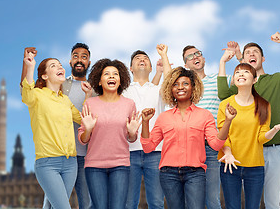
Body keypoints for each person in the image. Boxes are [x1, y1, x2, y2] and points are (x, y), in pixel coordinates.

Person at [218, 32, 280, 209]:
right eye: (247, 52)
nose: (252, 54)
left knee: (272, 201)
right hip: (245, 152)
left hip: (273, 149)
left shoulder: (276, 80)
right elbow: (222, 94)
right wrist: (227, 62)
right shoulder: (241, 85)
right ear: (242, 60)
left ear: (263, 59)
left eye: (255, 52)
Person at [140, 67, 235, 209]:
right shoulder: (164, 117)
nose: (180, 88)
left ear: (193, 87)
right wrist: (145, 122)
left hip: (195, 173)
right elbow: (148, 147)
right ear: (170, 89)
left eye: (185, 83)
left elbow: (215, 144)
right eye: (176, 84)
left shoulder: (205, 115)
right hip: (168, 174)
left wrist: (228, 121)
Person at [217, 62, 280, 209]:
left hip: (255, 166)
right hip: (230, 165)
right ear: (233, 79)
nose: (241, 74)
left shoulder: (264, 105)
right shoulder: (225, 104)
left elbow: (261, 137)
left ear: (254, 79)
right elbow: (222, 135)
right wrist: (228, 152)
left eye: (246, 72)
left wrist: (275, 129)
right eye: (237, 72)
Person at [21, 50, 89, 209]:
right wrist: (30, 66)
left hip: (71, 163)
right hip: (48, 163)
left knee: (51, 206)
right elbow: (26, 93)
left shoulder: (65, 100)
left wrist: (88, 95)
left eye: (60, 65)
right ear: (45, 76)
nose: (60, 67)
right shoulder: (36, 96)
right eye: (53, 65)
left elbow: (83, 119)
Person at [78, 58, 140, 209]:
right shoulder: (90, 104)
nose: (111, 76)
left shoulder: (129, 104)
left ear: (120, 81)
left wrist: (132, 133)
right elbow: (83, 140)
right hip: (94, 166)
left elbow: (132, 138)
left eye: (115, 74)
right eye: (106, 74)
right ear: (99, 81)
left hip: (120, 164)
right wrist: (88, 129)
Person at [182, 45, 231, 209]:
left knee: (212, 198)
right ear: (186, 65)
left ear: (203, 58)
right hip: (189, 145)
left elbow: (245, 76)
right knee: (191, 199)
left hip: (211, 146)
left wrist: (236, 55)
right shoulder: (184, 87)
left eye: (198, 54)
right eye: (190, 56)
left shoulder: (219, 80)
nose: (195, 57)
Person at [123, 44, 171, 209]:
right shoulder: (123, 91)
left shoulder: (158, 90)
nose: (142, 60)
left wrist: (164, 55)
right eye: (137, 59)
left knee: (156, 202)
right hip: (128, 152)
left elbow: (171, 80)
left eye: (145, 59)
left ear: (151, 67)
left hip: (156, 152)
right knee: (129, 203)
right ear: (131, 68)